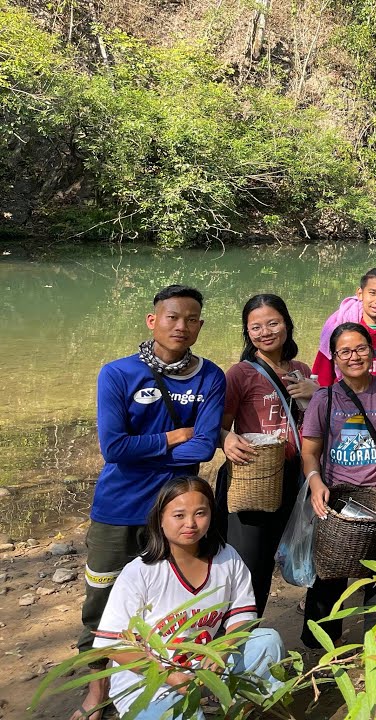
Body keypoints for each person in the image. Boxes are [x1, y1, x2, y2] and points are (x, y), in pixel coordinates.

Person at [76, 285, 225, 720]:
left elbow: (202, 450)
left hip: (179, 511)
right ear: (152, 320)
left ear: (199, 325)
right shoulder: (118, 374)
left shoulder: (210, 376)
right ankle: (97, 689)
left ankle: (171, 677)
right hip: (119, 508)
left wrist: (158, 445)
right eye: (172, 316)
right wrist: (170, 437)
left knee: (170, 600)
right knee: (100, 604)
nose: (181, 326)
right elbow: (114, 449)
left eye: (191, 319)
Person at [91, 477, 284, 720]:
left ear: (212, 515)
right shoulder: (140, 571)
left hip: (204, 666)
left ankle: (236, 710)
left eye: (200, 513)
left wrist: (222, 650)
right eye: (179, 515)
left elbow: (242, 616)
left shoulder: (227, 558)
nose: (190, 524)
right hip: (150, 679)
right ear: (160, 519)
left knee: (267, 641)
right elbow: (113, 643)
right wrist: (169, 676)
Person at [299, 322, 376, 649]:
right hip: (336, 503)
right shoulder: (323, 399)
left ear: (372, 350)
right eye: (345, 352)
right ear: (335, 358)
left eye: (361, 349)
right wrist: (315, 483)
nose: (354, 357)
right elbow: (309, 453)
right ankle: (326, 647)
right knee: (328, 579)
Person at [219, 294, 318, 614]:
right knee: (250, 565)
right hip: (254, 477)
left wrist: (318, 394)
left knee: (303, 553)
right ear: (247, 333)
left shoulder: (301, 370)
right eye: (255, 327)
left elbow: (321, 422)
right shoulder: (240, 374)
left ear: (287, 324)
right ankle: (238, 641)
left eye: (273, 323)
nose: (265, 331)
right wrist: (226, 439)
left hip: (295, 475)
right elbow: (219, 427)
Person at [312, 268, 376, 387]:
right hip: (345, 399)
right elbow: (322, 379)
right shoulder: (338, 328)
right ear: (360, 294)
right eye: (372, 293)